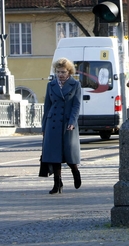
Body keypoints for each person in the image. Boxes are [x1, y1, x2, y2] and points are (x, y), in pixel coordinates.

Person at [41, 58, 82, 194]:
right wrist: (43, 127)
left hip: (67, 123)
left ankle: (75, 172)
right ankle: (57, 183)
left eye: (63, 72)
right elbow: (47, 106)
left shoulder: (75, 84)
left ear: (69, 71)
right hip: (52, 123)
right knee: (54, 155)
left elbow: (76, 105)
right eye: (58, 72)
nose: (60, 74)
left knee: (69, 152)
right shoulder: (51, 85)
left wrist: (72, 122)